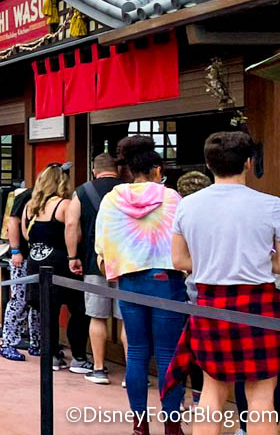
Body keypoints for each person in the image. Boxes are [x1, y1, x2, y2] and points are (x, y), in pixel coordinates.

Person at [167, 132, 280, 435]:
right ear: (248, 162)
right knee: (261, 396)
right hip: (259, 305)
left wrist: (213, 260)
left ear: (208, 164)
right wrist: (256, 261)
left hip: (210, 304)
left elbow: (179, 260)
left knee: (212, 391)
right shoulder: (272, 205)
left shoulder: (187, 206)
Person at [95, 136, 185, 435]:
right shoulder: (172, 198)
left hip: (129, 280)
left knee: (136, 353)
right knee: (168, 354)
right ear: (157, 169)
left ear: (129, 169)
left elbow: (101, 245)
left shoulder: (112, 199)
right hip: (167, 280)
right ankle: (172, 425)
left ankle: (140, 424)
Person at [22, 162, 90, 373]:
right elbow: (75, 232)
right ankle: (79, 357)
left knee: (47, 312)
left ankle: (50, 355)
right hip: (62, 262)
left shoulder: (30, 206)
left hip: (36, 261)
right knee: (79, 309)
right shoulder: (65, 205)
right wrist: (74, 255)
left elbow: (26, 234)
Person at [64, 153, 124, 385]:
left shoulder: (82, 191)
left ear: (94, 170)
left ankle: (98, 368)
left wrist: (72, 256)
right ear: (118, 170)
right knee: (127, 319)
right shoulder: (127, 189)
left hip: (94, 261)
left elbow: (71, 224)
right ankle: (133, 373)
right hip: (127, 263)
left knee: (97, 317)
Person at [174, 169, 211, 409]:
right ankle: (200, 397)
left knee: (183, 344)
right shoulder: (216, 215)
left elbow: (177, 257)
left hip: (185, 285)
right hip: (208, 288)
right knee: (203, 348)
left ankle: (181, 397)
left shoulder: (180, 214)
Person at [0, 184, 41, 362]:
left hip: (40, 258)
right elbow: (12, 222)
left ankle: (37, 341)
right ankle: (8, 342)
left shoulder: (55, 200)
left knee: (38, 302)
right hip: (23, 256)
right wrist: (15, 250)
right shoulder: (26, 196)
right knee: (20, 300)